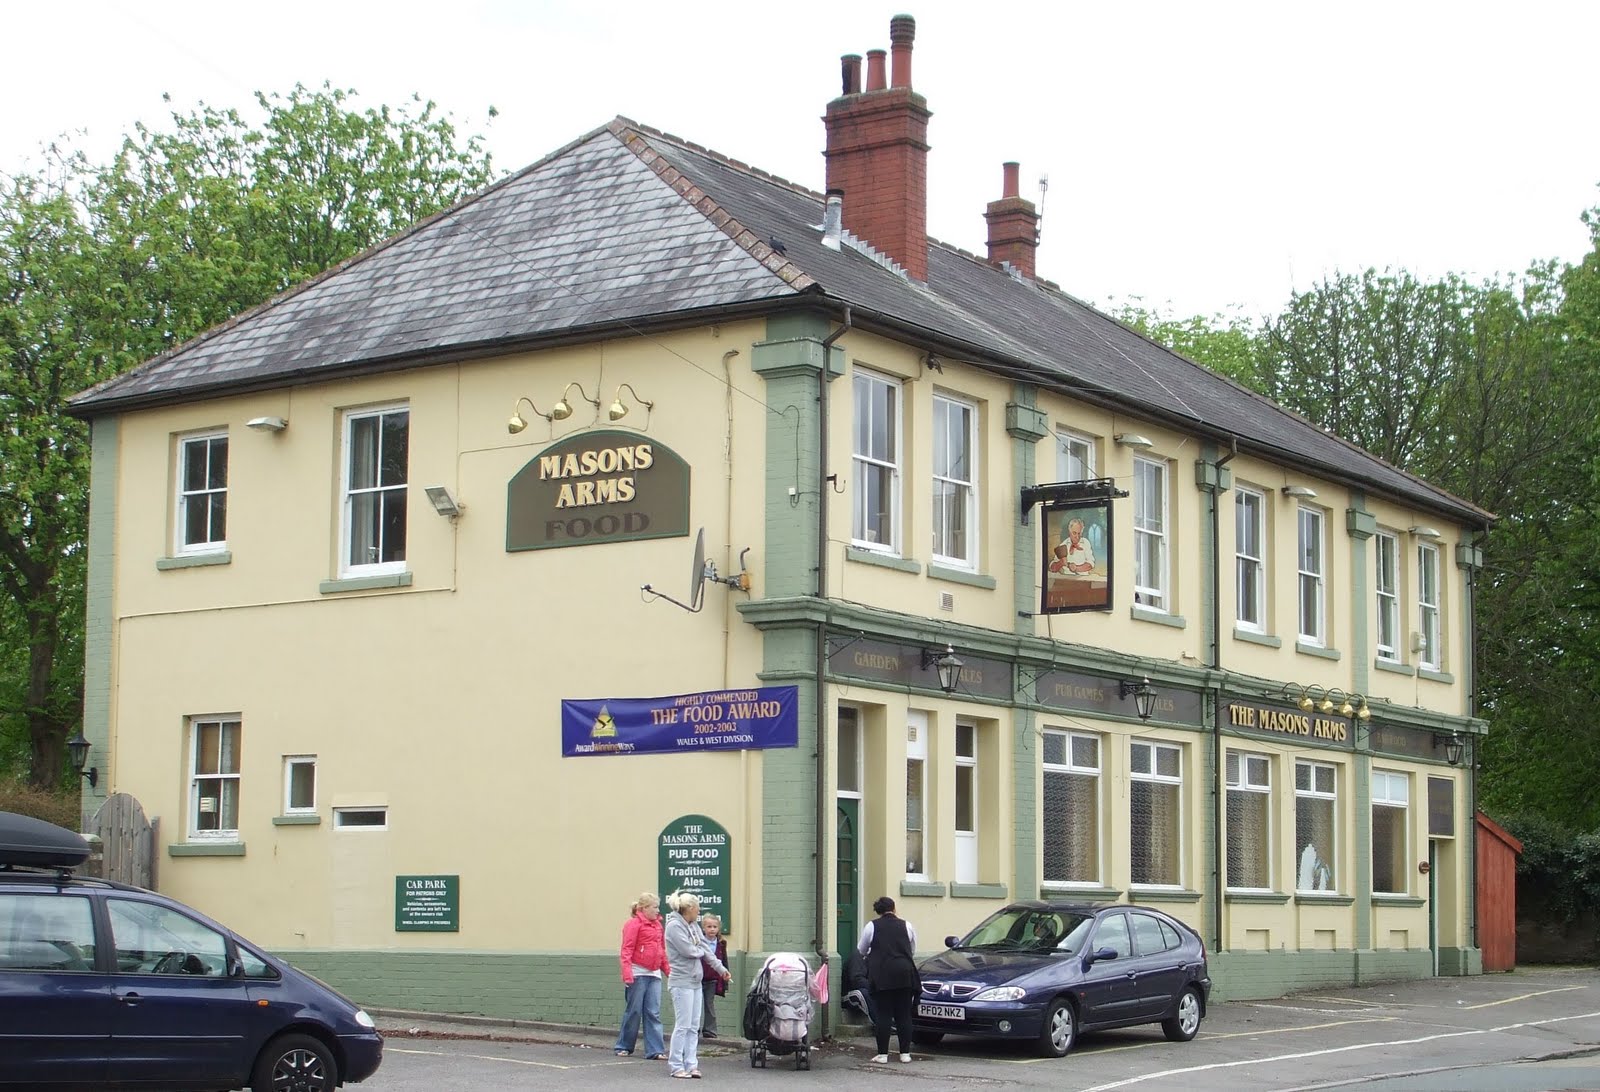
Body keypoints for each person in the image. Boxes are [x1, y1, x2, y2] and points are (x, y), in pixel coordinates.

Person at [664, 890, 730, 1078]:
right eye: (697, 908)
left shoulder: (693, 926)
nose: (699, 912)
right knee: (683, 1025)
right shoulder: (674, 926)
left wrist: (721, 969)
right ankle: (676, 1065)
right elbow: (689, 951)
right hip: (681, 981)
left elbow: (704, 948)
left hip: (695, 981)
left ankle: (691, 1064)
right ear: (689, 908)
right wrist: (699, 949)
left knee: (693, 1026)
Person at [857, 895, 919, 1064]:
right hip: (905, 972)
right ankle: (905, 1054)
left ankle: (883, 1055)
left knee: (884, 1014)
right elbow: (912, 949)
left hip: (882, 973)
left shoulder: (872, 926)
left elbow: (861, 949)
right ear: (894, 908)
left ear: (878, 911)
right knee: (904, 1014)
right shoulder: (907, 925)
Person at [614, 892, 670, 1061]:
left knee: (653, 1012)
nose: (657, 910)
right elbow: (627, 949)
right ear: (644, 908)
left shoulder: (658, 926)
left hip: (654, 974)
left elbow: (662, 951)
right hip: (637, 972)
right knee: (634, 1011)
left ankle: (655, 1050)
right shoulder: (633, 924)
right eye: (655, 907)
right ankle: (624, 1046)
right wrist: (627, 974)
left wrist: (668, 971)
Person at [699, 913, 728, 1039]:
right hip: (699, 977)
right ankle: (694, 1028)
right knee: (696, 1004)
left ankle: (710, 1029)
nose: (712, 929)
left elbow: (724, 960)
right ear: (703, 928)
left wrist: (724, 976)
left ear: (718, 928)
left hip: (712, 979)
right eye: (709, 926)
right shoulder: (699, 941)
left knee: (709, 1004)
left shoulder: (721, 943)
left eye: (715, 927)